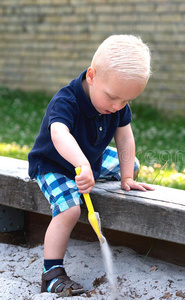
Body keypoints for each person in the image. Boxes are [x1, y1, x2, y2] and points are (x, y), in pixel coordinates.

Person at [28, 34, 154, 295]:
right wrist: (82, 164)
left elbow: (125, 135)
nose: (117, 106)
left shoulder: (115, 103)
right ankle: (51, 273)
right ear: (92, 75)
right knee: (70, 210)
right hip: (54, 165)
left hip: (90, 161)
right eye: (112, 97)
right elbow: (59, 134)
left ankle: (101, 173)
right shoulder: (67, 100)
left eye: (126, 101)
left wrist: (127, 177)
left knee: (130, 164)